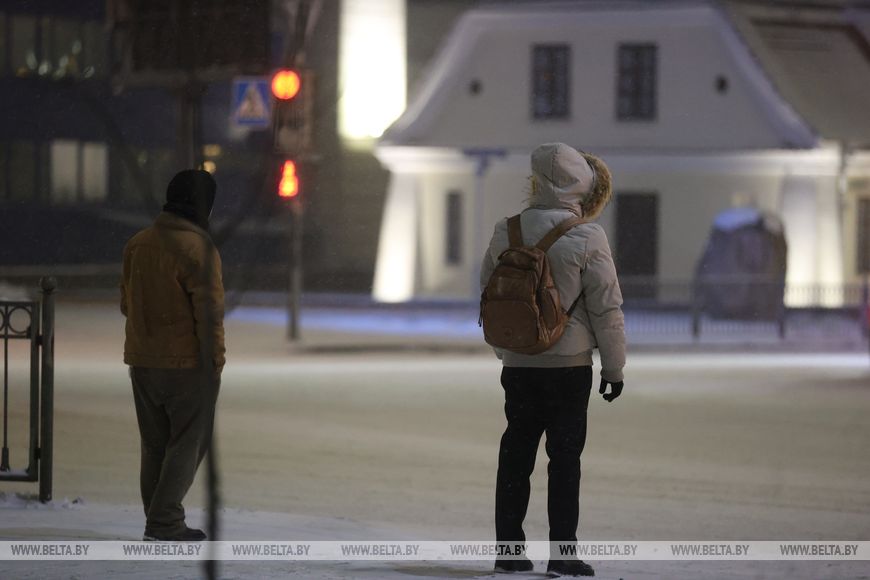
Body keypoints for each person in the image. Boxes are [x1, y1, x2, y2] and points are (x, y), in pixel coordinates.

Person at [480, 143, 625, 577]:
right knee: (564, 462)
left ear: (537, 180)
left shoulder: (507, 231)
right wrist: (614, 368)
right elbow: (606, 307)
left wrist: (510, 350)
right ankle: (563, 555)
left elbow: (490, 295)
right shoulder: (587, 236)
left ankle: (509, 553)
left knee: (516, 456)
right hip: (569, 366)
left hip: (519, 367)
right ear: (583, 186)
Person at [120, 169, 225, 542]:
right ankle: (165, 521)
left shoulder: (138, 243)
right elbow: (208, 314)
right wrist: (214, 362)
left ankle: (157, 518)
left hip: (142, 360)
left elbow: (126, 303)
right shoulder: (198, 249)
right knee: (188, 441)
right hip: (187, 365)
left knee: (154, 445)